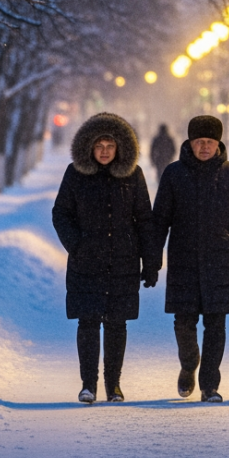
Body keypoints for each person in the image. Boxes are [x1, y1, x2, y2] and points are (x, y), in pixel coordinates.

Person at [51, 112, 160, 404]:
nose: (104, 151)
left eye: (110, 145)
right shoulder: (75, 174)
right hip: (86, 262)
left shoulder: (132, 175)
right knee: (88, 323)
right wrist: (77, 244)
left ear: (120, 147)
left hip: (123, 262)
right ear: (89, 146)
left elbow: (144, 220)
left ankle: (114, 386)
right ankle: (89, 384)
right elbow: (61, 213)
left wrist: (151, 263)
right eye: (99, 144)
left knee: (116, 324)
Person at [152, 115, 229, 402]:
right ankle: (188, 365)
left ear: (218, 143)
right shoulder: (174, 174)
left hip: (219, 261)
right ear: (191, 143)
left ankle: (210, 385)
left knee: (216, 324)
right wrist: (152, 258)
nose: (205, 147)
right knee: (183, 322)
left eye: (210, 142)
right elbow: (160, 218)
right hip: (183, 259)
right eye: (200, 142)